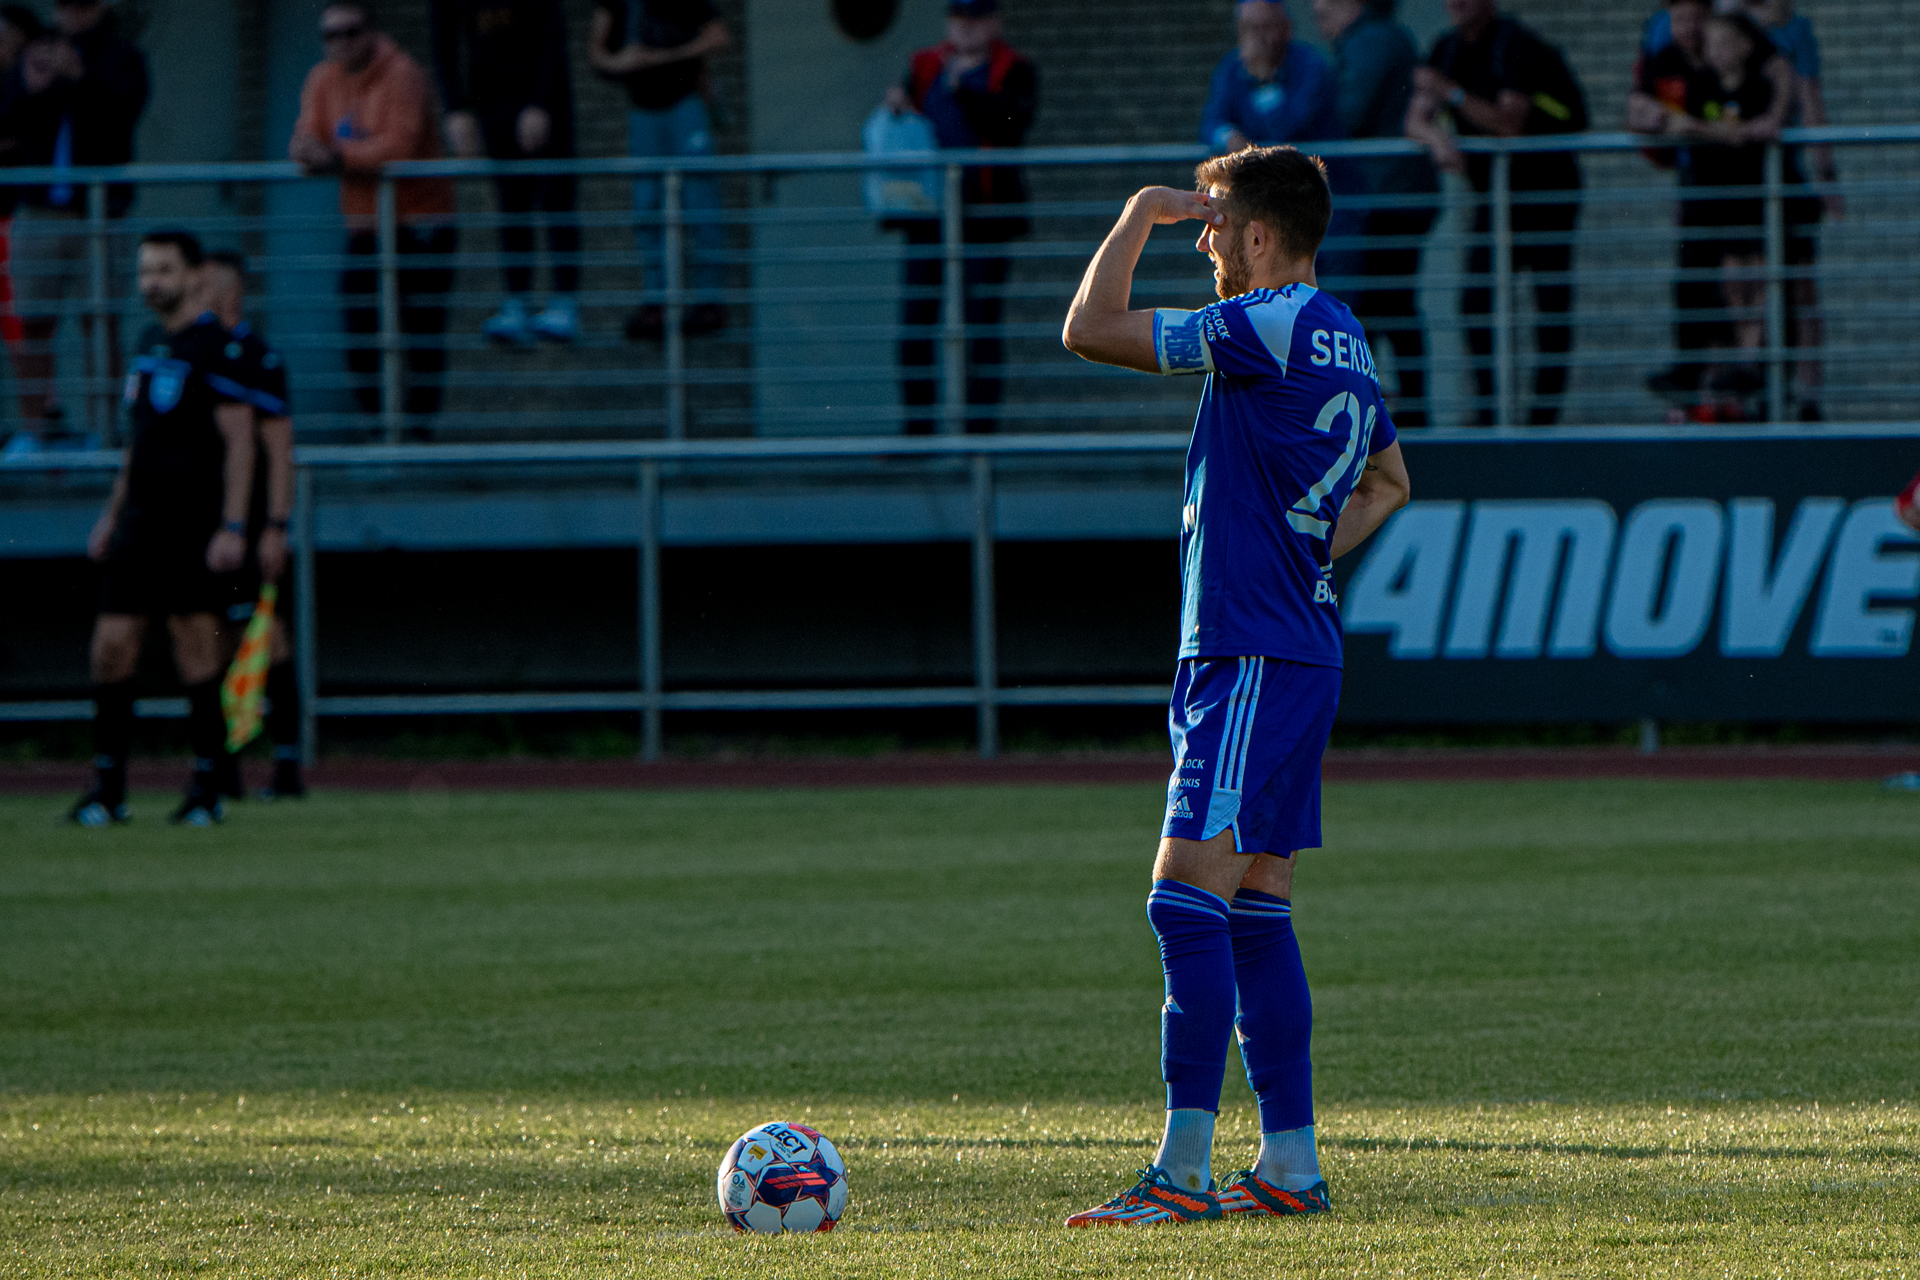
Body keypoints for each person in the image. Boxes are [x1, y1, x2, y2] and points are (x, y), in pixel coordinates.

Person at [1057, 145, 1410, 1226]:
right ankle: (1291, 1167)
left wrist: (1139, 211)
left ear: (1260, 235)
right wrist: (1305, 554)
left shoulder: (1261, 320)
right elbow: (1391, 481)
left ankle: (1180, 1171)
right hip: (1298, 644)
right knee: (1256, 910)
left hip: (1249, 649)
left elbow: (1089, 329)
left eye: (1215, 227)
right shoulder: (1343, 330)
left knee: (1183, 900)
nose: (1204, 243)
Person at [67, 230, 257, 829]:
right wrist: (111, 514)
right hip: (140, 523)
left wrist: (233, 525)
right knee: (110, 647)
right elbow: (139, 444)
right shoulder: (148, 343)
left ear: (194, 275)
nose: (151, 283)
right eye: (145, 271)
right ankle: (108, 789)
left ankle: (207, 787)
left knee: (195, 646)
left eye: (164, 271)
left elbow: (240, 443)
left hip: (190, 522)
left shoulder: (216, 348)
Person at [1406, 0, 1586, 426]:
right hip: (1495, 195)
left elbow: (1509, 124)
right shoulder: (1447, 47)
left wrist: (1451, 93)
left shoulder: (1516, 44)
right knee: (1475, 302)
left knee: (1549, 304)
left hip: (1547, 191)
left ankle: (1543, 422)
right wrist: (1437, 139)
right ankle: (1489, 414)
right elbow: (1414, 119)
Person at [291, 3, 458, 439]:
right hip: (366, 224)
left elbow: (399, 147)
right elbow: (305, 138)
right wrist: (316, 154)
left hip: (421, 220)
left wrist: (337, 159)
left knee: (421, 327)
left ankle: (418, 431)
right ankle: (378, 426)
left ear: (371, 32)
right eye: (331, 35)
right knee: (360, 321)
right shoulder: (322, 79)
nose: (342, 43)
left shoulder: (402, 74)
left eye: (351, 32)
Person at [880, 0, 1037, 434]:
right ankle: (917, 432)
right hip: (928, 216)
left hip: (986, 216)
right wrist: (896, 105)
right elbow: (906, 118)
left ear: (994, 23)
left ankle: (978, 436)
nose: (966, 28)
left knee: (981, 323)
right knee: (916, 321)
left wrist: (964, 92)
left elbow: (1012, 122)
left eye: (975, 18)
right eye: (958, 19)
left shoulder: (1016, 68)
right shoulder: (925, 65)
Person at [1633, 10, 1796, 418]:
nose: (1715, 51)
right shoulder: (1699, 81)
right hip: (1714, 201)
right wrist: (1721, 133)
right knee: (1725, 281)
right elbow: (1677, 122)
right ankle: (1715, 373)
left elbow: (1761, 120)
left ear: (1744, 46)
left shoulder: (1759, 82)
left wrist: (1751, 126)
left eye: (1723, 43)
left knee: (1757, 277)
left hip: (1751, 200)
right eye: (1713, 45)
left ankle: (1751, 360)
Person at [0, 0, 148, 443]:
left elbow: (124, 114)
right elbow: (7, 119)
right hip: (38, 211)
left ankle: (103, 431)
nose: (71, 13)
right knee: (32, 323)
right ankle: (35, 432)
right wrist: (29, 86)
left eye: (80, 3)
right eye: (63, 4)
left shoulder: (121, 56)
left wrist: (81, 78)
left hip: (99, 214)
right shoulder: (36, 53)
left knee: (100, 324)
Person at [200, 250, 306, 801]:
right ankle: (225, 764)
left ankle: (286, 763)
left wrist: (275, 525)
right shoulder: (190, 352)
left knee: (265, 635)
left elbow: (279, 447)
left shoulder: (257, 357)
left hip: (248, 523)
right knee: (213, 637)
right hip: (205, 522)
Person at [1313, 0, 1439, 426]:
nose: (1316, 9)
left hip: (1388, 196)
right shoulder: (1378, 38)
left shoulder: (1370, 42)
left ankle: (1398, 414)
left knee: (1383, 304)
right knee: (1388, 303)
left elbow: (1347, 113)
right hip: (1392, 193)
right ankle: (1398, 411)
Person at [431, 0, 580, 346]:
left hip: (545, 97)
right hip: (493, 95)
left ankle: (565, 303)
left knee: (557, 196)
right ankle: (516, 302)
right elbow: (443, 40)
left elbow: (553, 34)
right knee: (511, 201)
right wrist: (456, 108)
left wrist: (540, 102)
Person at [590, 0, 731, 342]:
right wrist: (622, 61)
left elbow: (719, 37)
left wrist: (662, 57)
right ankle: (656, 302)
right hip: (643, 112)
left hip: (685, 105)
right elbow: (597, 54)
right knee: (646, 207)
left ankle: (710, 300)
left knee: (702, 202)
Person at [1201, 1, 1341, 154]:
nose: (1257, 38)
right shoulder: (1232, 68)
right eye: (1249, 28)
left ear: (1286, 29)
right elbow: (1211, 123)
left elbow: (1285, 132)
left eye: (1266, 27)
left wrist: (1264, 82)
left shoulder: (1310, 67)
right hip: (1256, 167)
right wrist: (1228, 137)